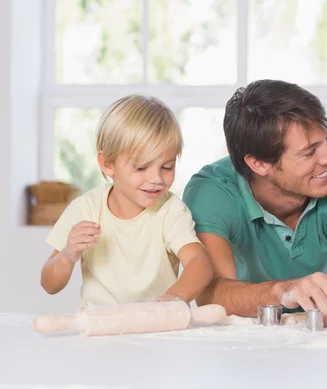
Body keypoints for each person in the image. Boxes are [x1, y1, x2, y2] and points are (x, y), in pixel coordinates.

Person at [182, 79, 327, 328]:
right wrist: (284, 291)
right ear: (259, 164)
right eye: (309, 151)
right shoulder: (210, 192)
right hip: (260, 329)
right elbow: (211, 294)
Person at [40, 95, 214, 306]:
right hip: (99, 329)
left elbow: (200, 264)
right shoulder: (86, 209)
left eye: (167, 167)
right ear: (107, 164)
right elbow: (49, 285)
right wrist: (67, 256)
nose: (156, 179)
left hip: (156, 328)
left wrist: (174, 299)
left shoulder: (171, 211)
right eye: (141, 167)